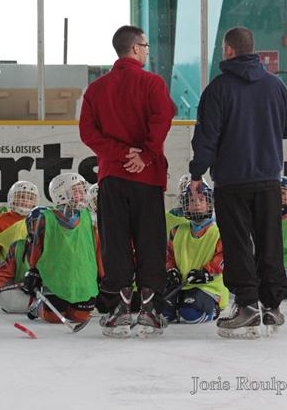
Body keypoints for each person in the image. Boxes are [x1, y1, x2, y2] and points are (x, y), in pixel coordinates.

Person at [188, 26, 287, 339]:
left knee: (237, 244)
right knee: (269, 242)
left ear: (228, 50)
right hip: (267, 179)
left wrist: (197, 173)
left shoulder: (218, 89)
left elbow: (207, 138)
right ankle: (272, 306)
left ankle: (247, 305)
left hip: (231, 181)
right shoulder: (275, 86)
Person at [79, 24, 175, 338]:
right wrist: (144, 155)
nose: (147, 51)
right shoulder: (153, 83)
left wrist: (120, 154)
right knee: (150, 242)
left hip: (112, 177)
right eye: (145, 46)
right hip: (147, 178)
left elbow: (88, 133)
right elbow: (162, 119)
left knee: (115, 242)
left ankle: (118, 311)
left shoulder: (96, 89)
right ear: (135, 48)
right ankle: (149, 311)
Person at [22, 173, 104, 326]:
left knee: (80, 317)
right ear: (60, 194)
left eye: (82, 190)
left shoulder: (90, 217)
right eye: (76, 191)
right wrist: (33, 271)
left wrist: (102, 275)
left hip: (83, 281)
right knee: (53, 317)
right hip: (56, 280)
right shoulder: (46, 217)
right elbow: (37, 247)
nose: (82, 194)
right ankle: (39, 307)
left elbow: (97, 248)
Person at [164, 182, 228, 324]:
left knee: (190, 314)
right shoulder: (176, 230)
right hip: (182, 284)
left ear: (209, 204)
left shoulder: (219, 231)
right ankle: (178, 305)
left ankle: (214, 308)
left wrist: (206, 272)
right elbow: (169, 255)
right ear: (186, 205)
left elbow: (223, 258)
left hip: (208, 287)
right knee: (164, 312)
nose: (197, 204)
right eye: (192, 200)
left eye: (201, 200)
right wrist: (171, 269)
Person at [0, 180, 38, 272]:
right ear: (11, 198)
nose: (25, 200)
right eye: (21, 196)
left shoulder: (39, 219)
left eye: (30, 198)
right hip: (6, 272)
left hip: (32, 272)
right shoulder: (0, 221)